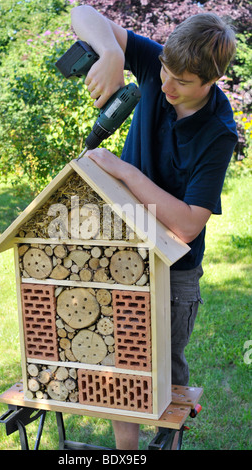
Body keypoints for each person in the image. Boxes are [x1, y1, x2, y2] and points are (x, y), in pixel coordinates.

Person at [71, 5, 238, 449]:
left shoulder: (219, 132)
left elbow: (185, 225)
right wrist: (109, 51)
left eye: (181, 82)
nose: (164, 85)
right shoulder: (155, 64)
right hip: (122, 252)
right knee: (120, 364)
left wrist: (125, 173)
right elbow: (82, 11)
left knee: (162, 374)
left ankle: (165, 445)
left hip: (173, 271)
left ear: (211, 80)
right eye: (163, 70)